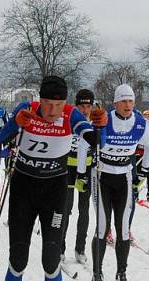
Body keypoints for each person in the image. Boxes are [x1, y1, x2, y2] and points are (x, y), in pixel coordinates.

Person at [0, 76, 99, 281]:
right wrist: (14, 124)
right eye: (47, 104)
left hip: (55, 193)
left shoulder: (72, 115)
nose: (51, 111)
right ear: (40, 100)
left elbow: (92, 138)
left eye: (57, 105)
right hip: (24, 191)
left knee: (51, 259)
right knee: (18, 257)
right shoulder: (27, 109)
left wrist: (100, 128)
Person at [80, 84, 149, 281]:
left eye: (131, 101)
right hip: (102, 176)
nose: (128, 105)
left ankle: (122, 273)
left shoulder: (140, 122)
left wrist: (143, 171)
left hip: (124, 178)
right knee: (102, 227)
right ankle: (97, 274)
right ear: (115, 103)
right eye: (124, 101)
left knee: (123, 231)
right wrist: (81, 172)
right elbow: (85, 144)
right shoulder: (104, 119)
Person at [60, 89, 95, 264]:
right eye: (82, 106)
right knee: (66, 209)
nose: (85, 110)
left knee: (84, 210)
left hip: (86, 170)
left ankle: (80, 248)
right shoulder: (70, 120)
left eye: (88, 106)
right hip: (68, 168)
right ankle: (60, 248)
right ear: (76, 106)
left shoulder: (95, 122)